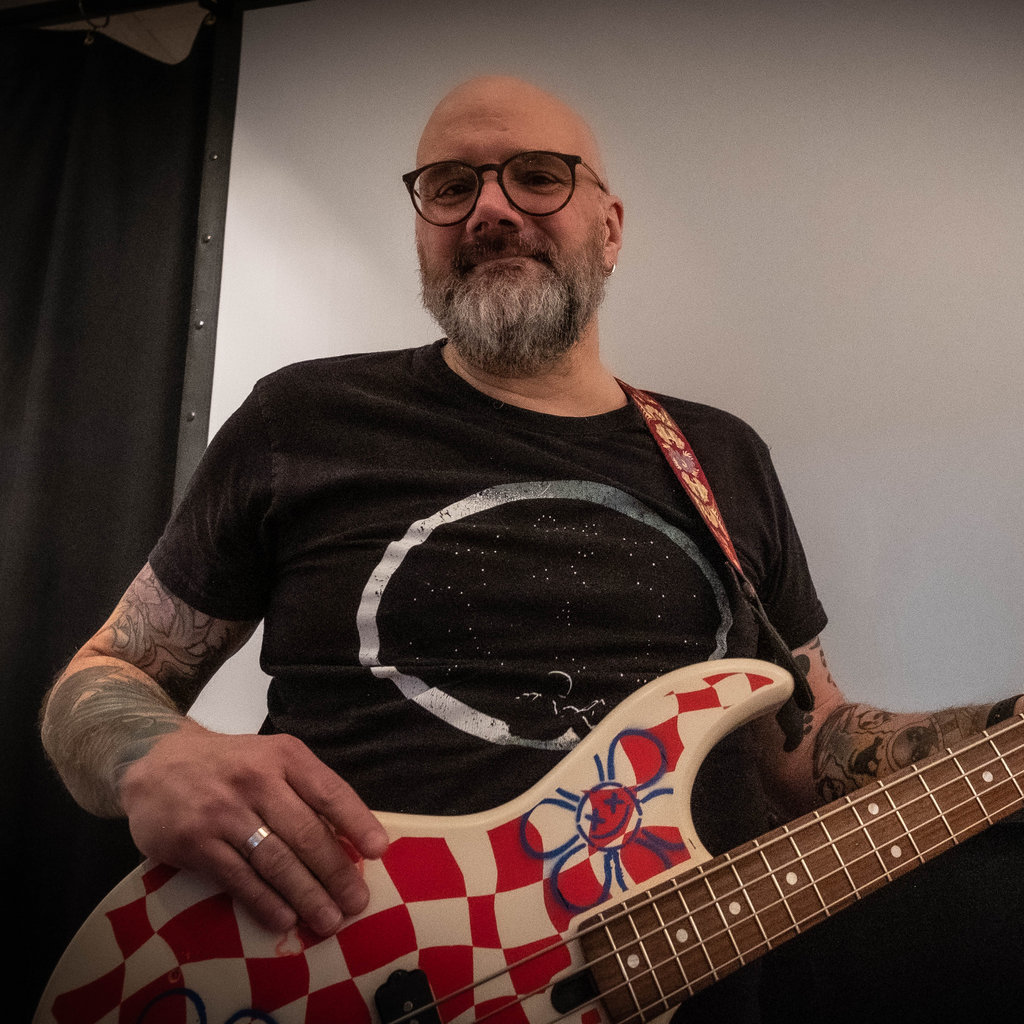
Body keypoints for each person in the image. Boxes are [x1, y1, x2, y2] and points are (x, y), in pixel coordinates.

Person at [40, 76, 1022, 1018]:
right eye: (450, 186)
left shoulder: (722, 457)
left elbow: (803, 751)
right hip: (334, 982)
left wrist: (1007, 731)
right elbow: (107, 671)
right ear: (422, 225)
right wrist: (153, 756)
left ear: (610, 226)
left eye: (538, 176)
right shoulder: (303, 418)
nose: (491, 210)